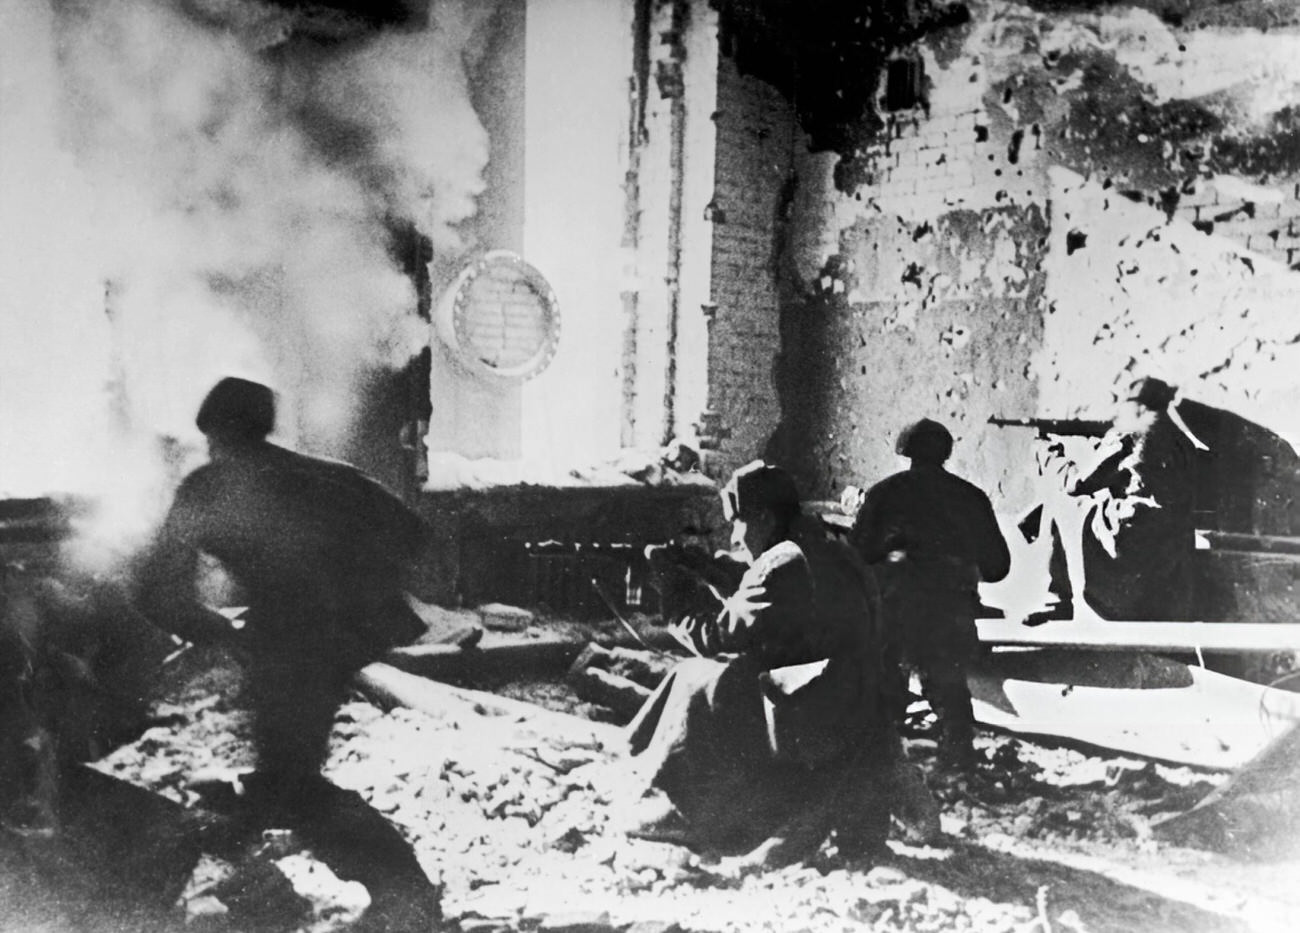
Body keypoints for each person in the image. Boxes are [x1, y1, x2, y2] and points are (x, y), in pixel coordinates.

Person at [135, 377, 428, 802]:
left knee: (286, 703)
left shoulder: (206, 488)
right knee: (298, 714)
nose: (212, 450)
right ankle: (289, 781)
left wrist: (219, 630)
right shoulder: (331, 475)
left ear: (217, 432)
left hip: (297, 626)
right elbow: (413, 533)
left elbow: (154, 588)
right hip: (352, 624)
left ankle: (289, 792)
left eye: (212, 439)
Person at [625, 460, 899, 870]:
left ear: (766, 518)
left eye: (738, 524)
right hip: (865, 714)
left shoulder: (781, 566)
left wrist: (675, 587)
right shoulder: (833, 549)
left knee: (700, 678)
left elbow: (714, 635)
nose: (735, 536)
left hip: (811, 723)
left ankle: (686, 811)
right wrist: (706, 566)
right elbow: (774, 588)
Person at [850, 419, 1010, 769]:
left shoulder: (884, 494)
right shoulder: (971, 497)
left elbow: (858, 554)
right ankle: (959, 756)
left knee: (887, 689)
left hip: (896, 610)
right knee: (950, 687)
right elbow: (998, 566)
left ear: (905, 450)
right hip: (951, 610)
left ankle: (880, 763)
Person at [1034, 376, 1201, 622]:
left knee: (1063, 498)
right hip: (1165, 546)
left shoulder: (1126, 437)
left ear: (1140, 407)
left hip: (1127, 542)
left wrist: (1050, 456)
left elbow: (1077, 484)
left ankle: (1057, 596)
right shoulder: (1181, 440)